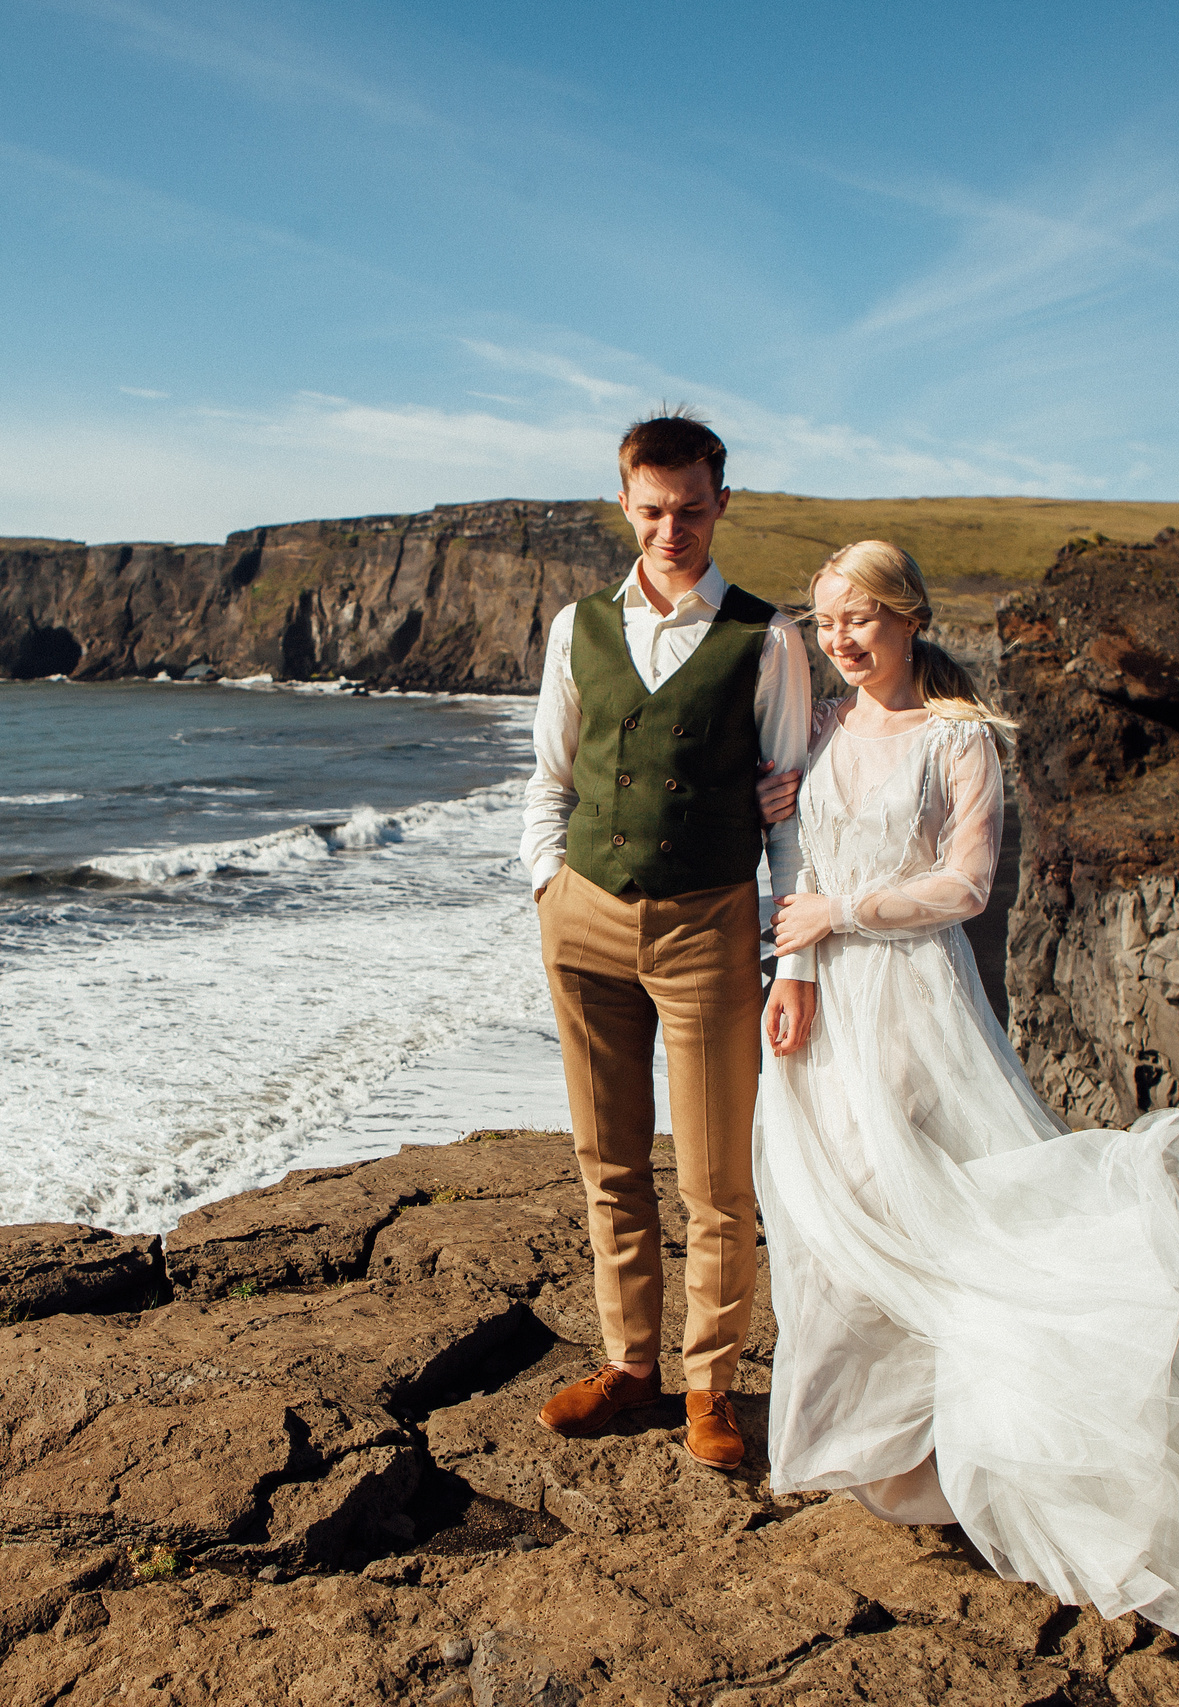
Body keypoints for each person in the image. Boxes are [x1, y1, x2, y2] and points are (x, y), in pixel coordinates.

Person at [758, 540, 1179, 1683]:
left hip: (911, 1005)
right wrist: (792, 968)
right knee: (829, 1218)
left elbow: (964, 888)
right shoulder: (821, 731)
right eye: (827, 620)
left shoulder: (959, 740)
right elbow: (793, 858)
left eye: (864, 619)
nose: (842, 639)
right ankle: (883, 1447)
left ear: (909, 618)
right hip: (821, 1004)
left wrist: (840, 917)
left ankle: (971, 1456)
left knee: (929, 1216)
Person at [520, 411, 813, 1472]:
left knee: (714, 1177)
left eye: (691, 508)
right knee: (607, 1163)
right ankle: (630, 1368)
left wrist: (796, 957)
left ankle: (711, 1386)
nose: (671, 528)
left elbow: (789, 816)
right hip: (584, 918)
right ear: (625, 505)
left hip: (708, 927)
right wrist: (547, 885)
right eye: (652, 510)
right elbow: (550, 775)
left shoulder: (766, 638)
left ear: (719, 502)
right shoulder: (576, 629)